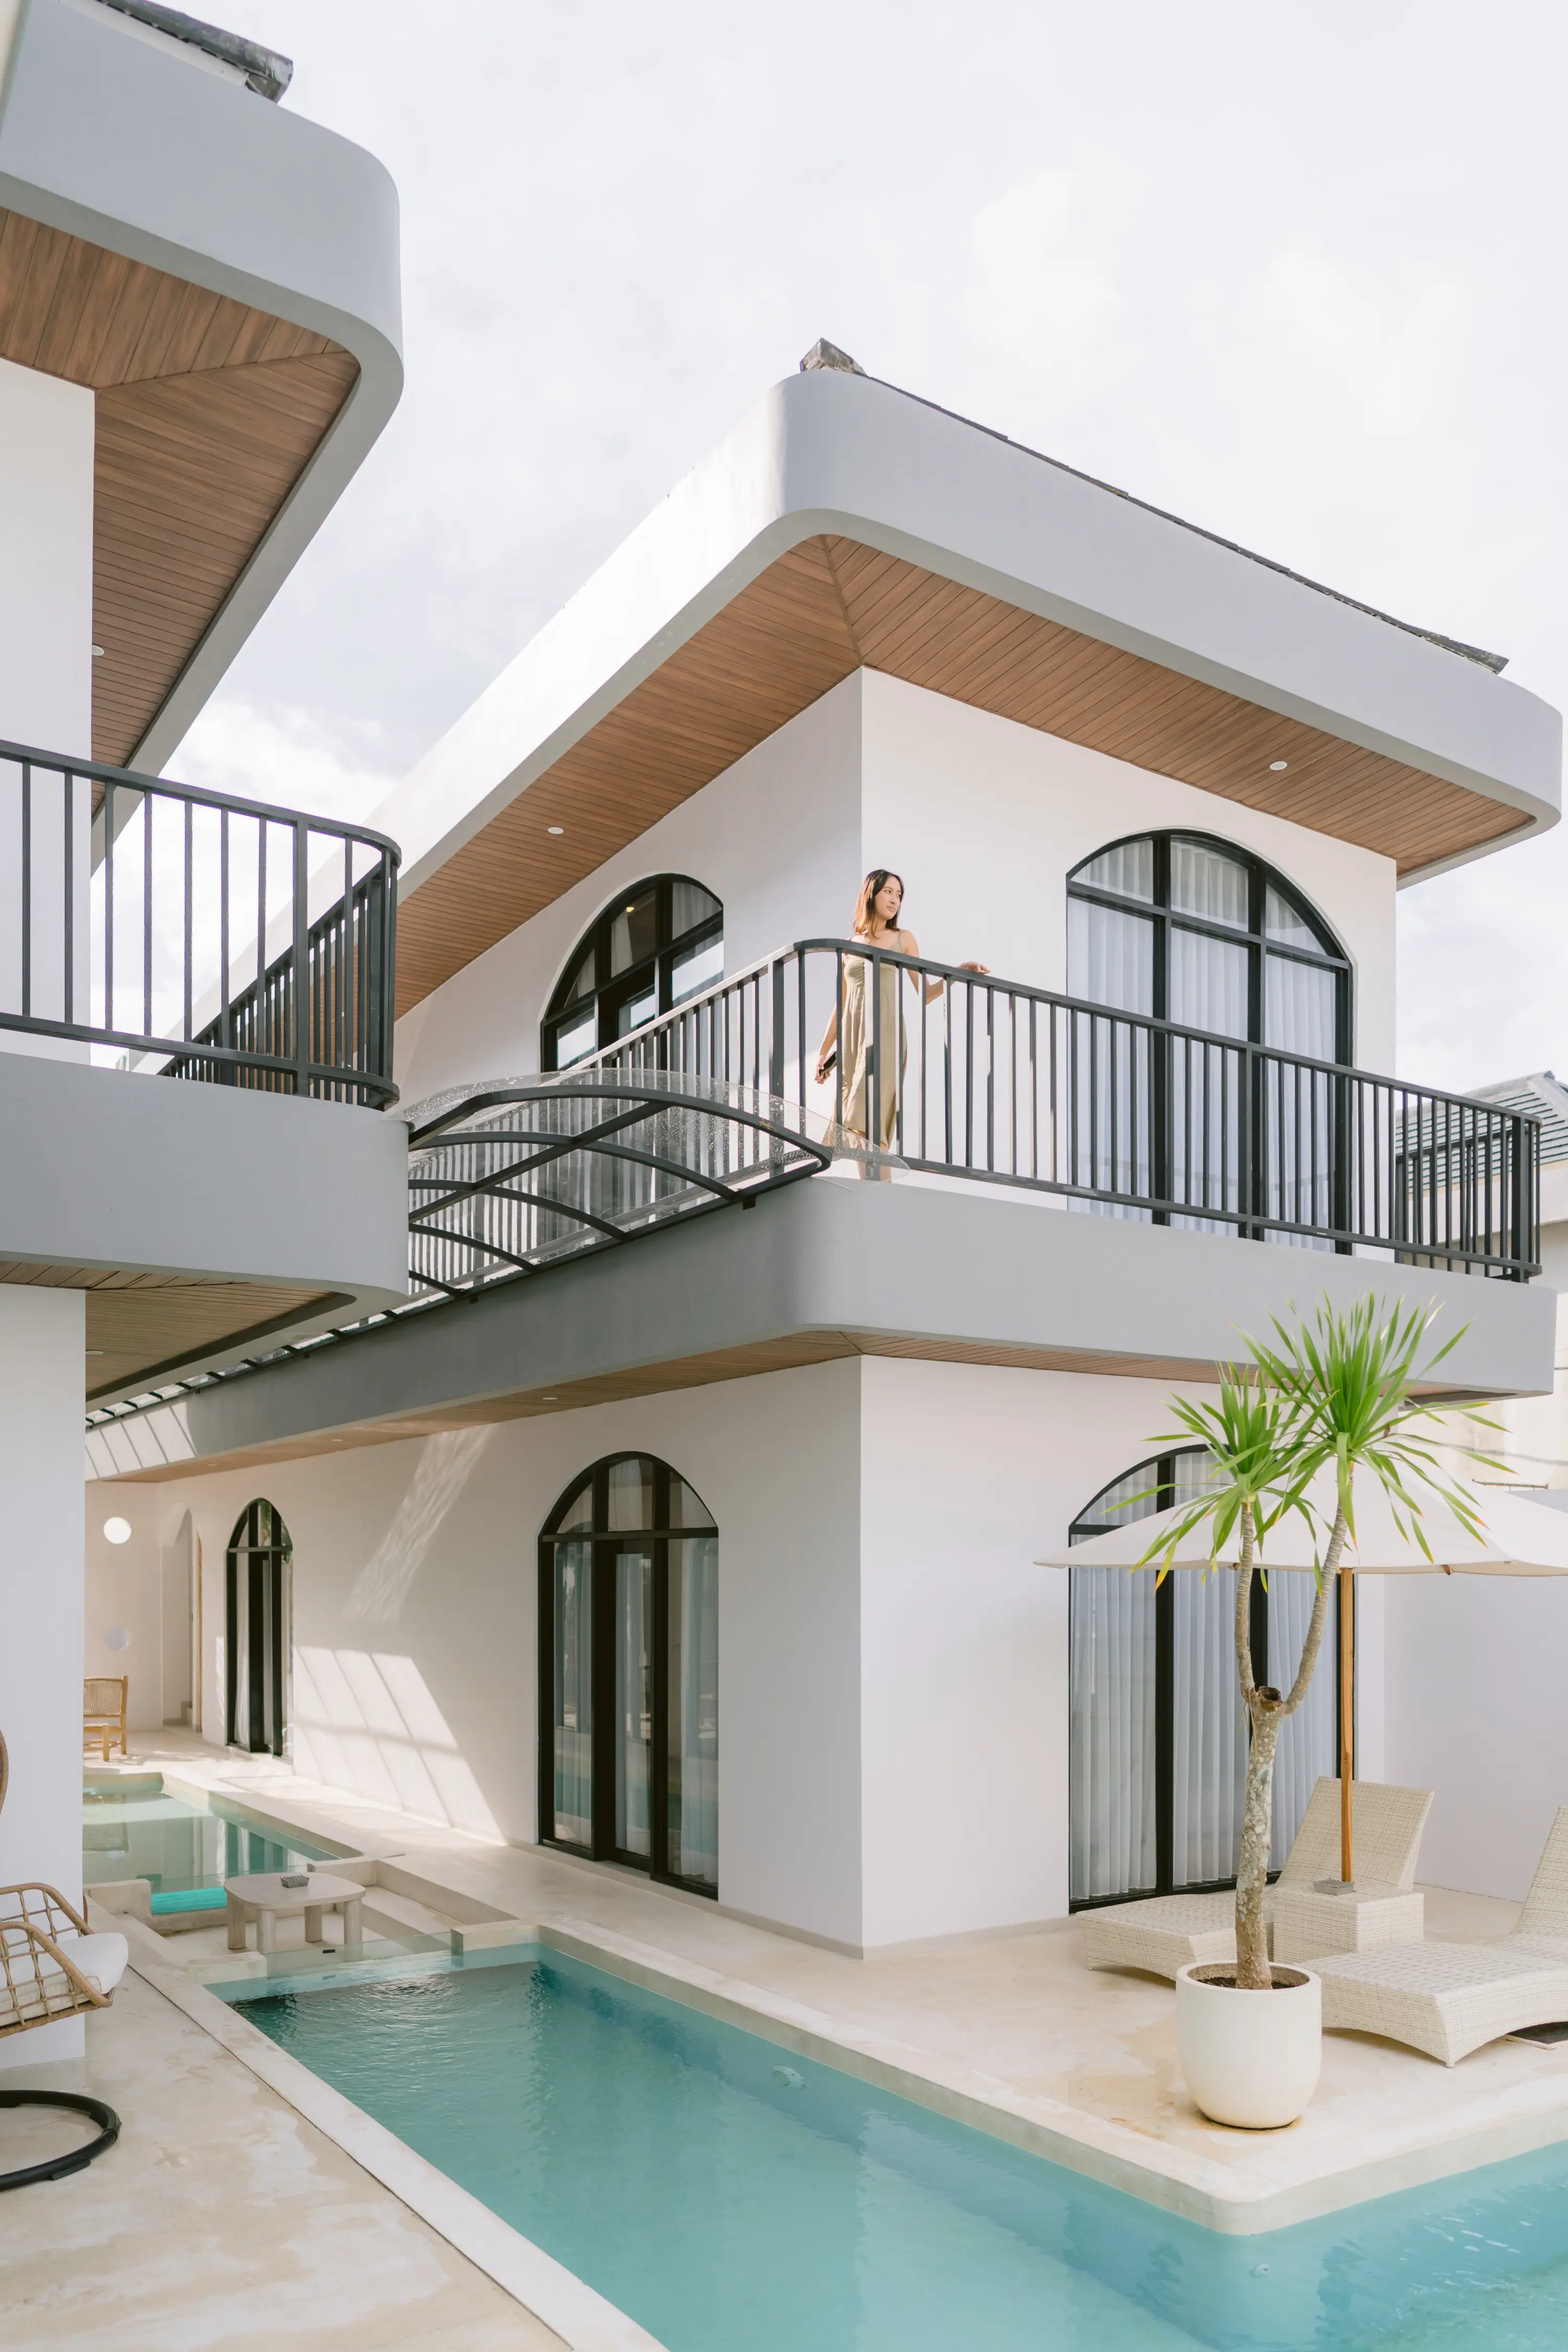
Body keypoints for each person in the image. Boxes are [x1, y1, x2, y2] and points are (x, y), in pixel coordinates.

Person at [814, 870, 988, 1158]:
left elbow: (927, 995)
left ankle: (877, 1189)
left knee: (868, 1115)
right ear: (872, 893)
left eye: (899, 895)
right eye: (889, 892)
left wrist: (958, 974)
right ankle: (876, 1189)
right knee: (855, 1122)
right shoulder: (849, 945)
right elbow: (840, 1004)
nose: (895, 900)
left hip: (885, 1035)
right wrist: (824, 1052)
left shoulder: (903, 939)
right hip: (853, 1040)